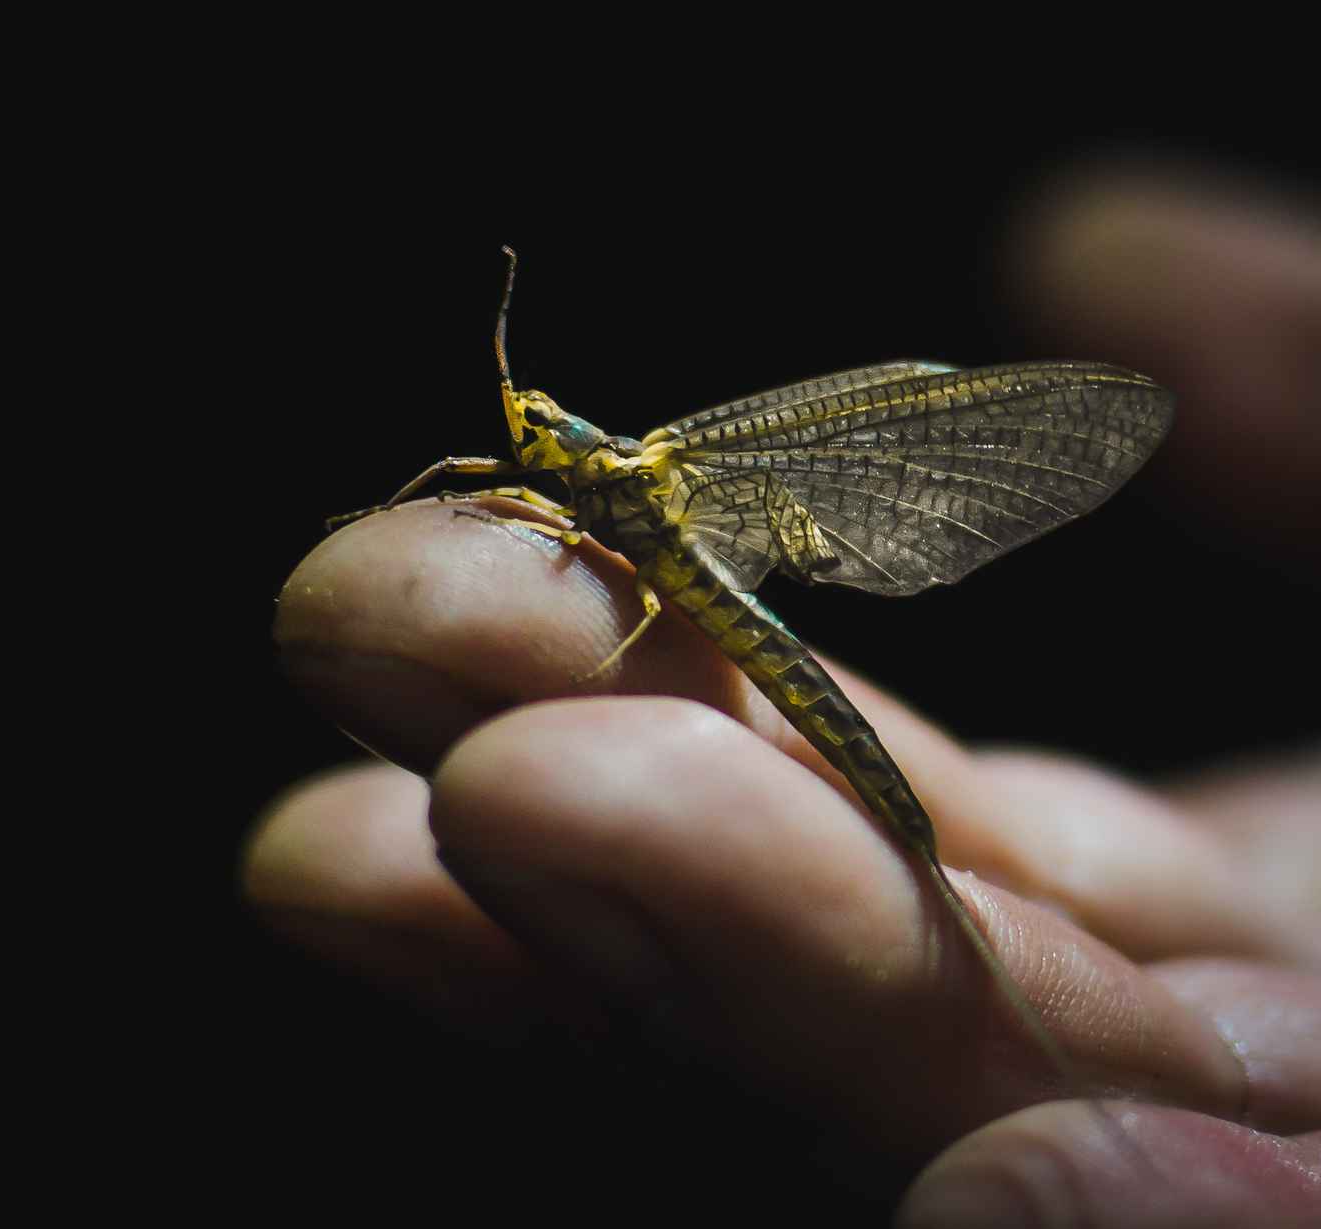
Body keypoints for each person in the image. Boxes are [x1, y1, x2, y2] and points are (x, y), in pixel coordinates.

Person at [248, 168, 1320, 1226]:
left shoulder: (632, 474)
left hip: (740, 629)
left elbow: (598, 559)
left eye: (536, 423)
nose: (526, 431)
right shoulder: (560, 489)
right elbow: (492, 489)